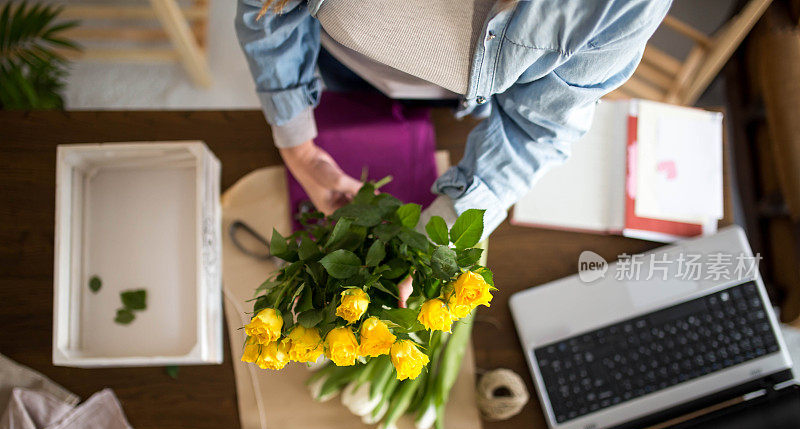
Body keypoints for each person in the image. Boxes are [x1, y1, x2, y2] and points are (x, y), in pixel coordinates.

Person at [236, 0, 671, 238]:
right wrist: (300, 151)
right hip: (340, 61)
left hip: (457, 101)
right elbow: (269, 10)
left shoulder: (623, 6)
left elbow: (536, 129)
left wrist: (447, 228)